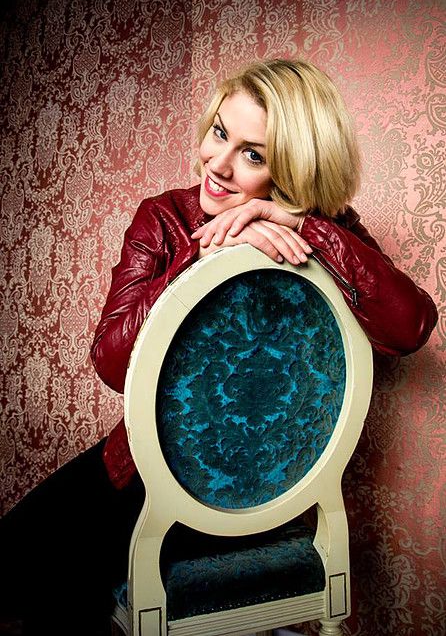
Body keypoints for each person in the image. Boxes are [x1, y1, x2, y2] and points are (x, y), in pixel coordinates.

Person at [0, 59, 438, 635]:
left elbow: (411, 327)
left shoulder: (330, 230)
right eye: (219, 133)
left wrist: (301, 225)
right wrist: (204, 254)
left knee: (38, 579)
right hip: (155, 477)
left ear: (295, 169)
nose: (219, 164)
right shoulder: (166, 219)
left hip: (247, 500)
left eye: (253, 155)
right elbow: (113, 362)